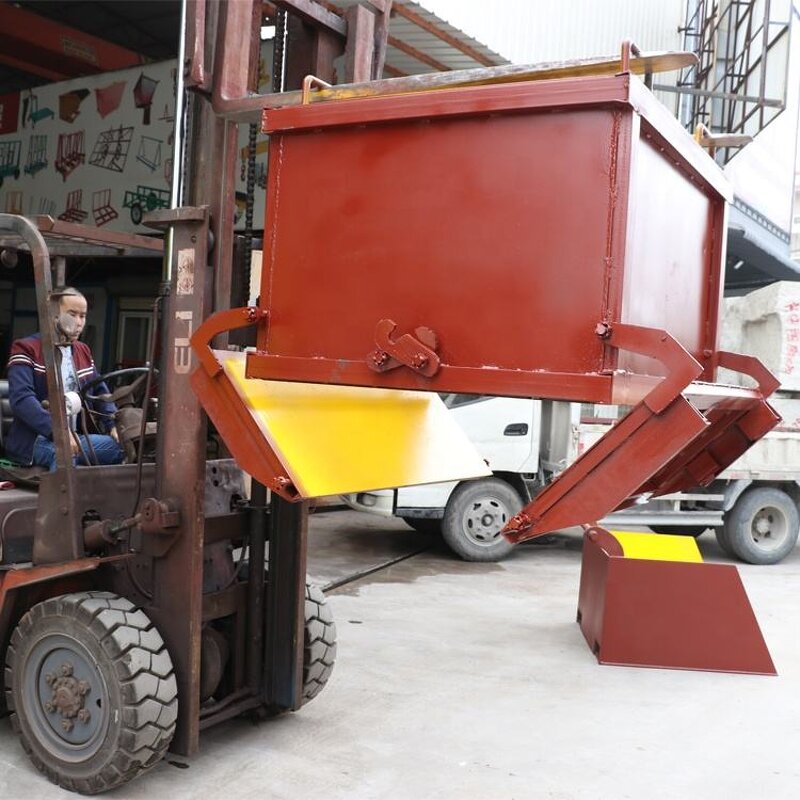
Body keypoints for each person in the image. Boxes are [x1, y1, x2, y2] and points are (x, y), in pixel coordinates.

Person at [5, 287, 124, 471]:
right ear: (53, 316)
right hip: (36, 440)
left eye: (82, 316)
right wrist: (58, 432)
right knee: (65, 454)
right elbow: (22, 399)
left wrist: (113, 424)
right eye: (72, 314)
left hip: (76, 436)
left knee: (125, 446)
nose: (78, 322)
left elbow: (100, 391)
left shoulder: (82, 350)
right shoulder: (26, 348)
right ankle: (60, 500)